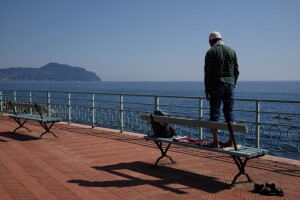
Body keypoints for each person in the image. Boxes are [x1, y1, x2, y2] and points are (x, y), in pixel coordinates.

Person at [204, 31, 239, 148]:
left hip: (217, 84)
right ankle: (231, 141)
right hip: (230, 85)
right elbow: (236, 71)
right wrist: (232, 84)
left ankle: (216, 142)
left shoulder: (211, 52)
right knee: (229, 112)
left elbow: (208, 74)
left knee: (215, 112)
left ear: (211, 41)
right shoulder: (232, 51)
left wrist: (207, 89)